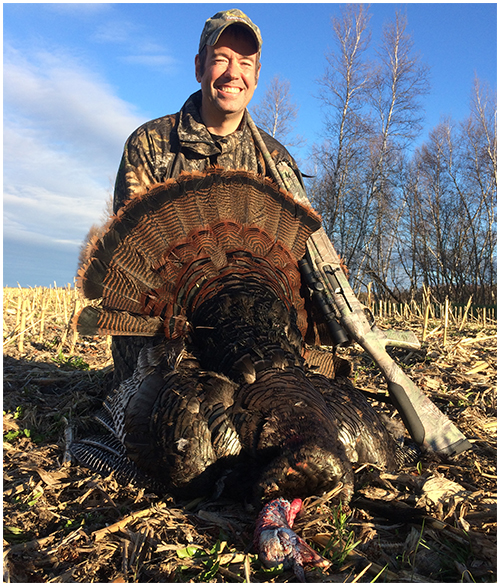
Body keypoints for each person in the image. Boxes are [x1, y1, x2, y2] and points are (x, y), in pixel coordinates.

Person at [111, 8, 341, 386]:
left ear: (257, 74)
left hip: (251, 334)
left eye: (245, 63)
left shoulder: (276, 160)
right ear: (200, 67)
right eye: (221, 60)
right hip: (166, 332)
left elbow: (303, 261)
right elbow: (132, 270)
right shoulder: (152, 144)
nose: (234, 73)